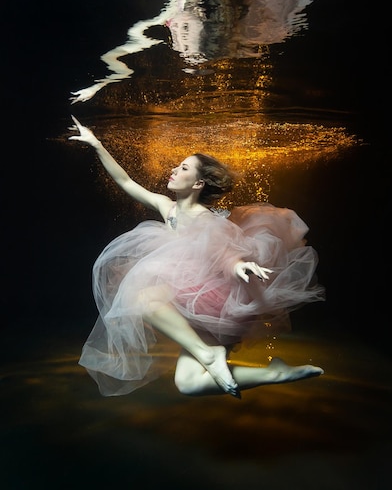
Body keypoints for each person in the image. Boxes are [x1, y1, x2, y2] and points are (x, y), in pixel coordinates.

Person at [69, 115, 325, 398]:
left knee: (141, 298)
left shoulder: (205, 217)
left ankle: (209, 353)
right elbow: (126, 182)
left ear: (198, 184)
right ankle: (275, 373)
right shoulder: (167, 208)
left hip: (215, 302)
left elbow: (224, 250)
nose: (174, 170)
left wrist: (240, 265)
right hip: (195, 304)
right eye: (178, 166)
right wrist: (96, 144)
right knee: (189, 384)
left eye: (184, 167)